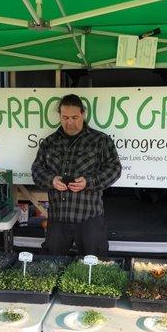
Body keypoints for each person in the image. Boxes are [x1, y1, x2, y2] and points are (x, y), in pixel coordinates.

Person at [31, 94, 122, 256]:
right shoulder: (49, 142)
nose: (70, 122)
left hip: (89, 217)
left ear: (83, 114)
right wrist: (51, 180)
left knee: (95, 267)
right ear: (59, 116)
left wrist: (89, 182)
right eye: (65, 117)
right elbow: (37, 170)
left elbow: (115, 169)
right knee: (52, 264)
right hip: (58, 217)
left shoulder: (100, 140)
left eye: (74, 117)